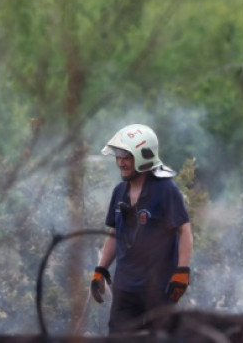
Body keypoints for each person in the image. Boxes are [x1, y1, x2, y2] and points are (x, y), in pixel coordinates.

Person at [89, 123, 194, 334]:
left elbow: (184, 231)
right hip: (125, 289)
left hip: (159, 289)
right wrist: (101, 269)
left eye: (126, 157)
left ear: (144, 157)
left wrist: (182, 272)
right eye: (118, 157)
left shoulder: (166, 190)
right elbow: (114, 234)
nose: (120, 163)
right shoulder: (120, 192)